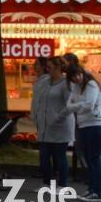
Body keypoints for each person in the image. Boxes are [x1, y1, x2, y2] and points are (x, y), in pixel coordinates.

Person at [31, 56, 75, 188]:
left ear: (59, 68)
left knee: (60, 156)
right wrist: (36, 115)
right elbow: (38, 99)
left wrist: (59, 118)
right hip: (45, 125)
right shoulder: (45, 82)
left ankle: (62, 185)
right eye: (47, 67)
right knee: (44, 157)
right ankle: (47, 183)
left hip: (60, 126)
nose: (47, 70)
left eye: (50, 67)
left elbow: (70, 105)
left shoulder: (66, 84)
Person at [66, 65, 101, 202]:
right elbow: (69, 105)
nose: (77, 78)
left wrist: (77, 106)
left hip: (95, 123)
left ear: (82, 73)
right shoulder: (76, 87)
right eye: (74, 76)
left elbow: (90, 105)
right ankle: (92, 188)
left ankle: (97, 190)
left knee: (93, 157)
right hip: (83, 124)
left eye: (78, 74)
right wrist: (81, 105)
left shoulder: (91, 85)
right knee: (88, 158)